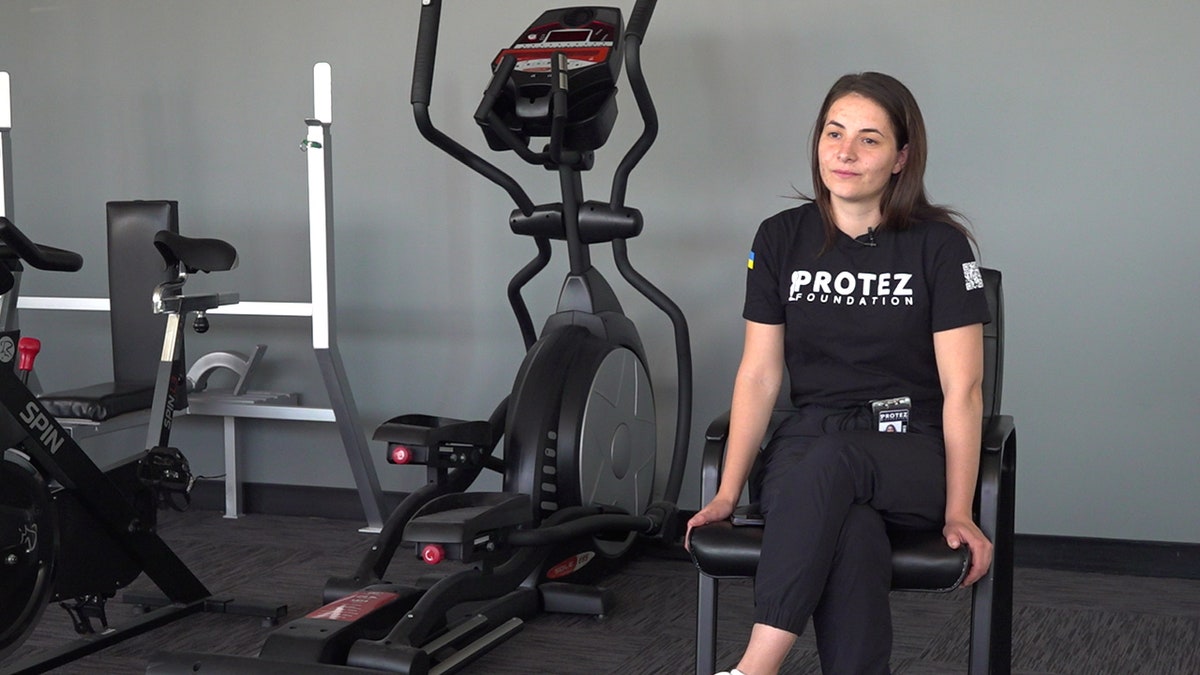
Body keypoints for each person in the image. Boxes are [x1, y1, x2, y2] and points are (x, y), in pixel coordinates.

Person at [686, 72, 994, 675]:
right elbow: (758, 376)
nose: (846, 153)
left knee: (832, 463)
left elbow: (964, 389)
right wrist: (725, 493)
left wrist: (960, 510)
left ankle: (754, 668)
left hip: (908, 447)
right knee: (851, 532)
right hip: (810, 446)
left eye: (870, 139)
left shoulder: (942, 247)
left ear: (902, 157)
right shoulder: (779, 238)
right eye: (835, 133)